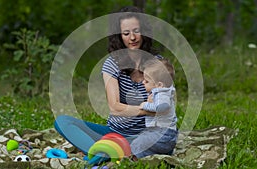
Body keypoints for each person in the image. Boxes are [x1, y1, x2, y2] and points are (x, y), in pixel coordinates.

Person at [54, 6, 176, 159]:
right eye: (126, 33)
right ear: (119, 36)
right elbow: (115, 108)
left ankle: (105, 152)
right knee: (63, 122)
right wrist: (147, 108)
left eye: (136, 31)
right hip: (115, 133)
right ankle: (107, 151)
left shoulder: (157, 64)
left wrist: (149, 109)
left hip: (148, 135)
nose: (132, 37)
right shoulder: (112, 63)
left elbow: (167, 103)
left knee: (152, 142)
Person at [130, 58, 178, 159]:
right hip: (163, 134)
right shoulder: (160, 92)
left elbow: (162, 107)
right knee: (141, 139)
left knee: (141, 141)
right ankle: (157, 155)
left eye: (146, 81)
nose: (143, 82)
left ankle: (134, 159)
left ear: (159, 85)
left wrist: (145, 105)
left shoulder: (162, 93)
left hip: (164, 135)